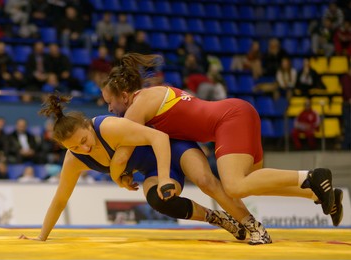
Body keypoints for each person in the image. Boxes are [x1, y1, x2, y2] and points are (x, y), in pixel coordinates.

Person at [100, 53, 344, 231]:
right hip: (238, 113)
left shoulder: (137, 107)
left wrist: (118, 177)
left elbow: (122, 153)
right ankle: (321, 194)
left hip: (229, 120)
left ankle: (311, 176)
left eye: (110, 102)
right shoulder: (155, 92)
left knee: (235, 186)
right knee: (252, 185)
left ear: (124, 95)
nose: (110, 109)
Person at [18, 95, 246, 242]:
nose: (84, 148)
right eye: (75, 147)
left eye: (85, 140)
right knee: (159, 201)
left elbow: (159, 137)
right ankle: (217, 218)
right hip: (152, 170)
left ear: (88, 125)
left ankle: (249, 222)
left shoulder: (108, 127)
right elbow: (60, 199)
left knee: (207, 182)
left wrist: (165, 175)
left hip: (175, 148)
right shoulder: (74, 158)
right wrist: (41, 237)